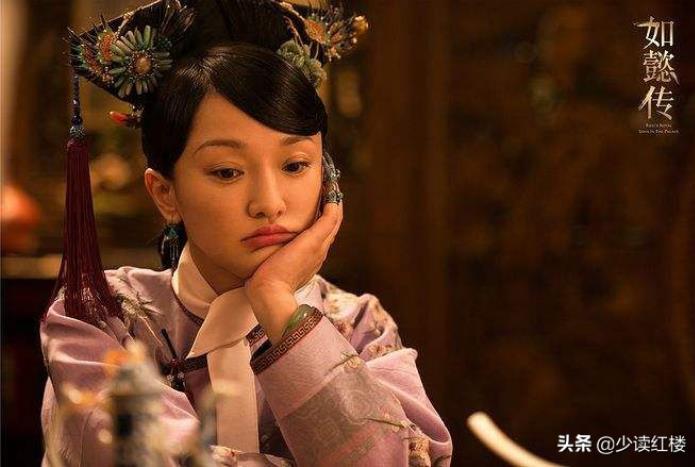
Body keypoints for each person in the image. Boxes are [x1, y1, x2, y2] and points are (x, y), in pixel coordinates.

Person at [39, 0, 453, 465]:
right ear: (165, 194)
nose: (269, 203)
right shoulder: (100, 319)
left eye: (295, 165)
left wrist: (275, 300)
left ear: (327, 178)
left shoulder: (359, 326)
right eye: (227, 171)